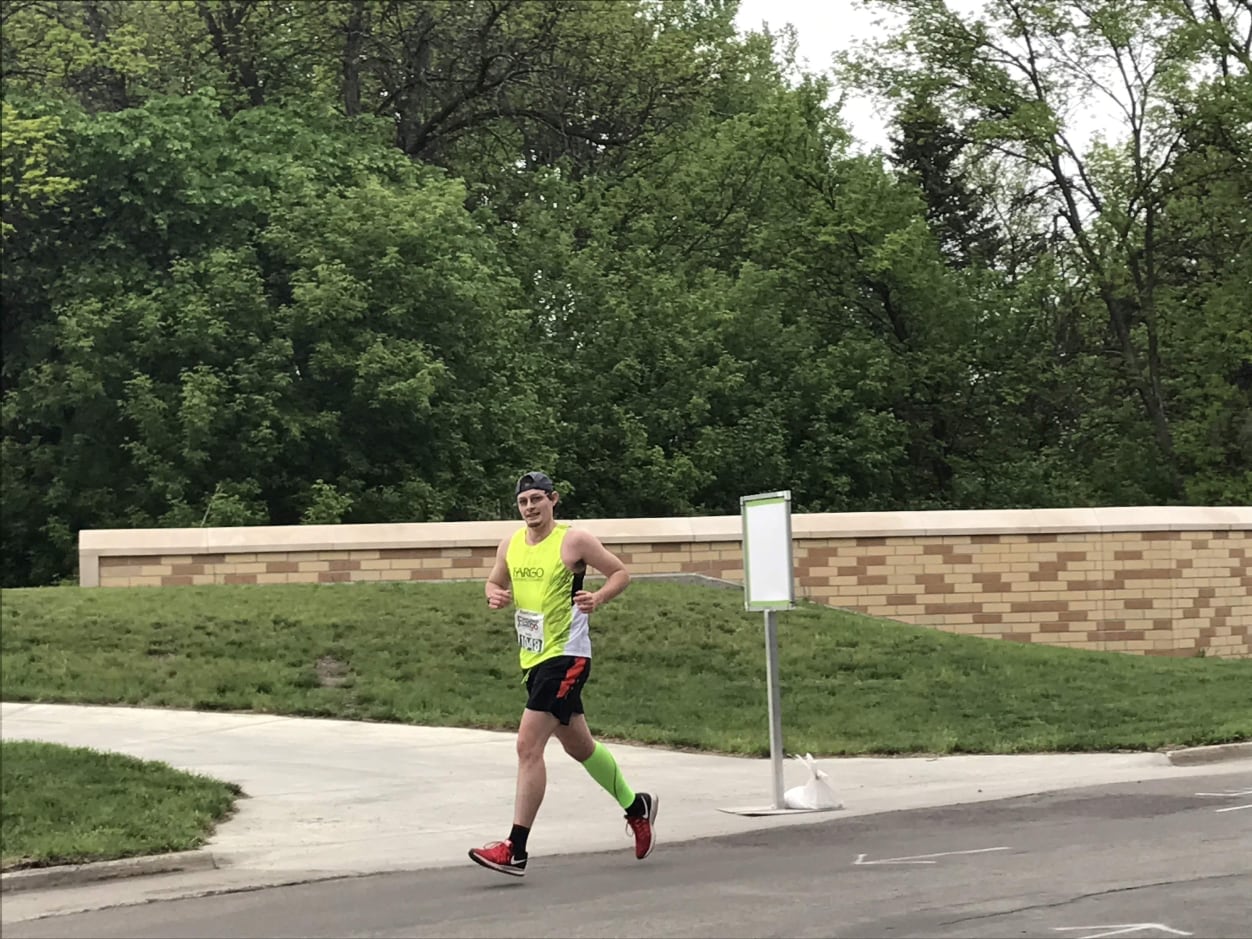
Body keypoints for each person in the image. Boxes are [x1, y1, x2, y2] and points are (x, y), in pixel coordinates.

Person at [468, 471, 658, 877]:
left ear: (553, 500)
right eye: (523, 502)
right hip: (534, 658)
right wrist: (493, 594)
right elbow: (492, 580)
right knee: (579, 746)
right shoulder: (511, 544)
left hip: (567, 655)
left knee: (527, 745)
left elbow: (620, 573)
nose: (530, 508)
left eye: (538, 499)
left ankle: (515, 849)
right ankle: (635, 805)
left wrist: (598, 597)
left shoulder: (574, 540)